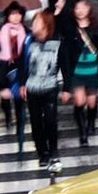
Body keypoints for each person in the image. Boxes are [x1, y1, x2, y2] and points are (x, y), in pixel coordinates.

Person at [59, 0, 98, 146]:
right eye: (77, 8)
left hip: (92, 71)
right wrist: (60, 9)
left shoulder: (96, 27)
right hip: (77, 72)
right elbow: (60, 30)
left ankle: (91, 122)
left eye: (83, 7)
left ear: (89, 9)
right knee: (80, 101)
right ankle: (83, 133)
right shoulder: (70, 28)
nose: (80, 11)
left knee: (92, 102)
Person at [19, 10, 62, 168]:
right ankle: (42, 152)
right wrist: (22, 83)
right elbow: (22, 64)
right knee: (36, 121)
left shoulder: (57, 41)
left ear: (46, 25)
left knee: (50, 120)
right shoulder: (28, 41)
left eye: (37, 22)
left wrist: (67, 88)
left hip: (50, 86)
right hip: (32, 87)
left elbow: (63, 63)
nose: (34, 25)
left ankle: (53, 150)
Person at [0, 2, 28, 152]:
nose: (16, 17)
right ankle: (8, 115)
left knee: (19, 100)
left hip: (20, 70)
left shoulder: (26, 31)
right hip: (4, 69)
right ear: (7, 16)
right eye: (12, 14)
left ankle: (20, 130)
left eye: (18, 13)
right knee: (5, 98)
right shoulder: (1, 31)